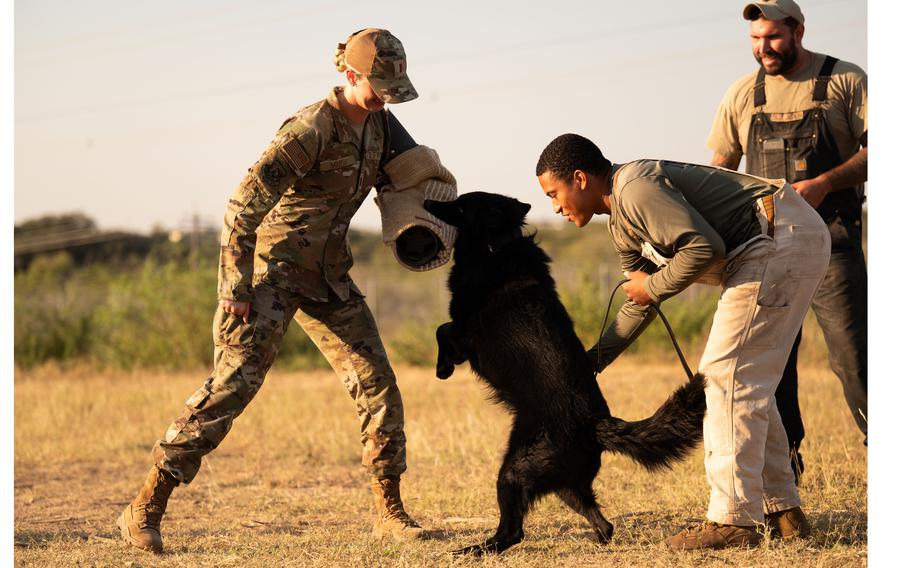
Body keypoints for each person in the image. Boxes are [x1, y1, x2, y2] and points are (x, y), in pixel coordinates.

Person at [117, 28, 428, 553]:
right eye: (377, 85)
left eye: (392, 87)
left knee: (377, 383)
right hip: (271, 277)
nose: (386, 97)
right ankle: (146, 504)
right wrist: (234, 287)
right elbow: (241, 208)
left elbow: (409, 177)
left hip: (330, 279)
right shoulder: (310, 129)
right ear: (348, 75)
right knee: (231, 388)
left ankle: (388, 509)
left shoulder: (380, 125)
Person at [536, 133, 829, 550]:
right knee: (741, 382)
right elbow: (638, 301)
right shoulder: (621, 222)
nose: (555, 208)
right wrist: (590, 362)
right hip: (774, 242)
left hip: (779, 236)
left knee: (724, 379)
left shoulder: (634, 189)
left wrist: (653, 286)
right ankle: (782, 513)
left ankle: (732, 520)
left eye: (554, 194)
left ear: (579, 178)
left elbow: (703, 249)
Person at [707, 0, 868, 480]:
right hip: (765, 251)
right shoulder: (742, 93)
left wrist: (826, 183)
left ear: (798, 30)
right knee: (769, 369)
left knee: (855, 361)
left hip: (833, 246)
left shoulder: (844, 80)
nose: (764, 49)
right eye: (756, 39)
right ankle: (785, 476)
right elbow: (718, 170)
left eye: (773, 37)